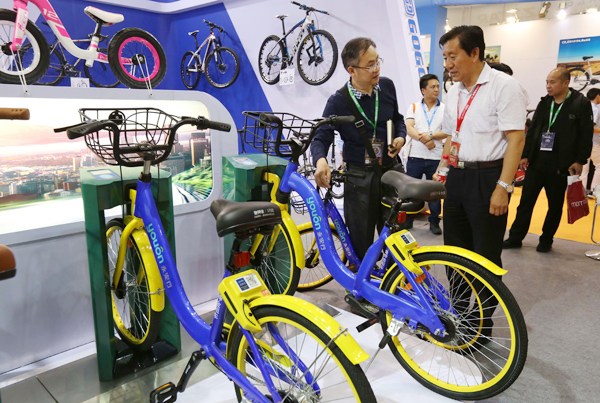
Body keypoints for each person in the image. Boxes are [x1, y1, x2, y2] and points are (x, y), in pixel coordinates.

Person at [435, 25, 527, 341]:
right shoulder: (454, 91)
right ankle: (460, 317)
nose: (447, 64)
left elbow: (516, 139)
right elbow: (451, 137)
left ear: (475, 53)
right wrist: (443, 172)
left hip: (489, 178)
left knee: (485, 256)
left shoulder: (504, 86)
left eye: (452, 56)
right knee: (454, 253)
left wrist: (504, 187)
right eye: (444, 57)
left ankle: (482, 326)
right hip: (458, 178)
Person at [311, 37, 406, 259]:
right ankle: (362, 289)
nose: (376, 69)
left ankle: (393, 285)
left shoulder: (387, 87)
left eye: (378, 62)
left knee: (394, 234)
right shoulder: (339, 101)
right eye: (370, 65)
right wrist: (320, 160)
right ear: (351, 69)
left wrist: (401, 136)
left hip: (390, 171)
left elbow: (398, 119)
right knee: (361, 238)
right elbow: (321, 135)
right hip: (359, 178)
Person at [503, 68, 593, 252]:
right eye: (547, 82)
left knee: (554, 206)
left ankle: (546, 240)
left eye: (552, 82)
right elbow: (534, 129)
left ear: (566, 83)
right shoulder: (545, 103)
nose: (548, 86)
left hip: (562, 165)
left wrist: (580, 160)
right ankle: (515, 237)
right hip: (537, 163)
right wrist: (526, 154)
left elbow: (586, 134)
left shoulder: (580, 104)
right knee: (525, 202)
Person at [404, 73, 446, 235]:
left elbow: (447, 131)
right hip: (415, 156)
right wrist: (425, 140)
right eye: (433, 87)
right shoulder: (414, 107)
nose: (437, 89)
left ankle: (434, 222)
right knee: (411, 190)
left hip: (436, 157)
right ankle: (408, 219)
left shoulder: (444, 109)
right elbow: (409, 128)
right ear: (423, 90)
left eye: (438, 86)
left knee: (434, 192)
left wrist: (432, 136)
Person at [579, 88, 600, 195]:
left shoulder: (585, 107)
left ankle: (581, 192)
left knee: (584, 168)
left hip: (583, 142)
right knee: (599, 165)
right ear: (597, 96)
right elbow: (591, 127)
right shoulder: (595, 108)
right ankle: (594, 190)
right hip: (593, 143)